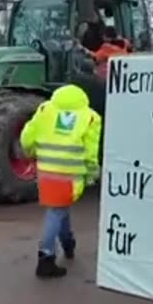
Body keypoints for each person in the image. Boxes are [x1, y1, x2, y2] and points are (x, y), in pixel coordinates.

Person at [18, 84, 103, 279]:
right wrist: (92, 174)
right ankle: (45, 258)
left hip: (46, 170)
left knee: (60, 208)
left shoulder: (45, 109)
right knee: (56, 211)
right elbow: (91, 152)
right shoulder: (90, 117)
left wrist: (29, 153)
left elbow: (27, 137)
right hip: (70, 174)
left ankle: (68, 243)